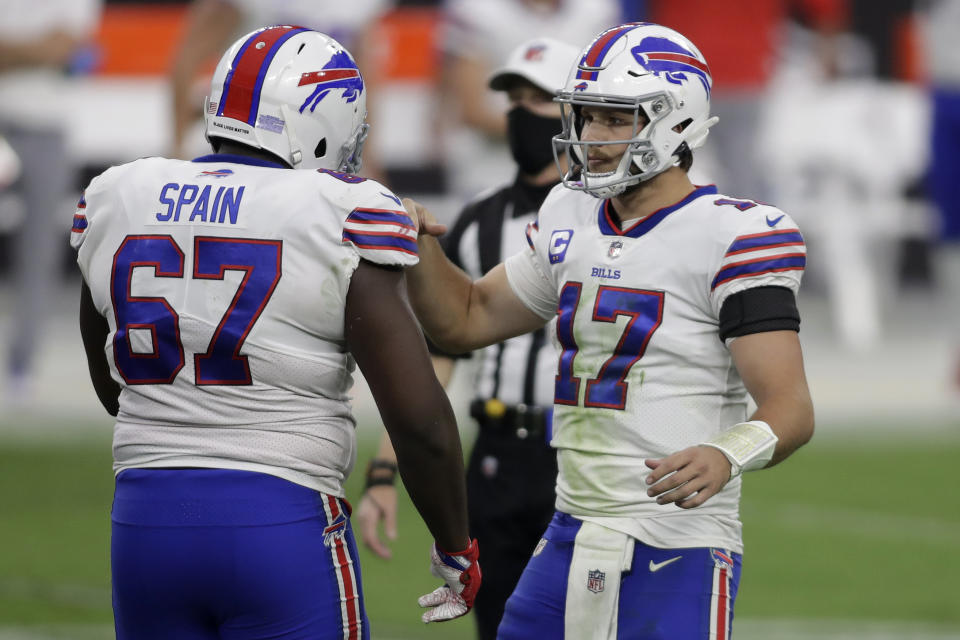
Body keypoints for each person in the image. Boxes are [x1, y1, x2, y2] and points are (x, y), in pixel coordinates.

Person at [402, 22, 815, 638]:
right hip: (569, 529)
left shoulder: (737, 235)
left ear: (674, 122)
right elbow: (466, 319)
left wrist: (727, 453)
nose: (590, 137)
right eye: (586, 116)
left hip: (677, 541)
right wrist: (415, 244)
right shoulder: (570, 213)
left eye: (614, 120)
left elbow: (791, 409)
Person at [72, 26, 479, 639]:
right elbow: (418, 419)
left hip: (143, 523)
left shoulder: (118, 194)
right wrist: (455, 545)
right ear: (323, 121)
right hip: (279, 521)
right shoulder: (340, 211)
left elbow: (114, 385)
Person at [354, 37, 580, 640]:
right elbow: (437, 356)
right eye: (514, 98)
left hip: (583, 456)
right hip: (498, 456)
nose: (520, 112)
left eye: (539, 98)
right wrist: (382, 476)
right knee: (503, 629)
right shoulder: (479, 217)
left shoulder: (605, 217)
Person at [0, 0, 102, 401]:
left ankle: (21, 367)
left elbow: (64, 48)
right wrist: (39, 50)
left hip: (46, 128)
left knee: (38, 253)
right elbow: (53, 49)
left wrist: (11, 51)